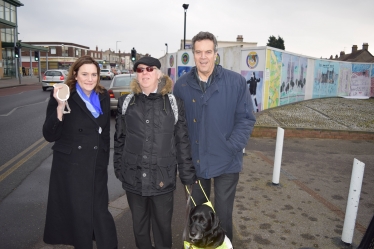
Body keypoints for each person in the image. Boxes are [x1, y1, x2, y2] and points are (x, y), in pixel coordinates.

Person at [173, 31, 256, 242]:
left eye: (208, 52)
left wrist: (230, 147)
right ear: (193, 53)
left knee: (222, 217)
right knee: (197, 217)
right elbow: (179, 127)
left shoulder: (236, 82)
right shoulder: (181, 86)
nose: (203, 57)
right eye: (198, 52)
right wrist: (184, 161)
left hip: (227, 162)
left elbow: (246, 119)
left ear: (215, 54)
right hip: (196, 163)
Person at [113, 56, 196, 249]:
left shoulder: (173, 103)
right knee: (140, 229)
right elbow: (119, 139)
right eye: (140, 70)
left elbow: (181, 141)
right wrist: (119, 168)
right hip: (133, 178)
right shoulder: (126, 102)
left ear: (159, 74)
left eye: (149, 69)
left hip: (162, 178)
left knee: (162, 228)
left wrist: (187, 175)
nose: (145, 73)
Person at [42, 55, 118, 249]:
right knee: (79, 217)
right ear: (75, 74)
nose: (90, 79)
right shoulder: (64, 95)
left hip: (95, 166)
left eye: (94, 74)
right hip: (71, 168)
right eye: (85, 74)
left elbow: (105, 134)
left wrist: (103, 163)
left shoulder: (102, 95)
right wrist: (60, 107)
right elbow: (50, 134)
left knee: (100, 213)